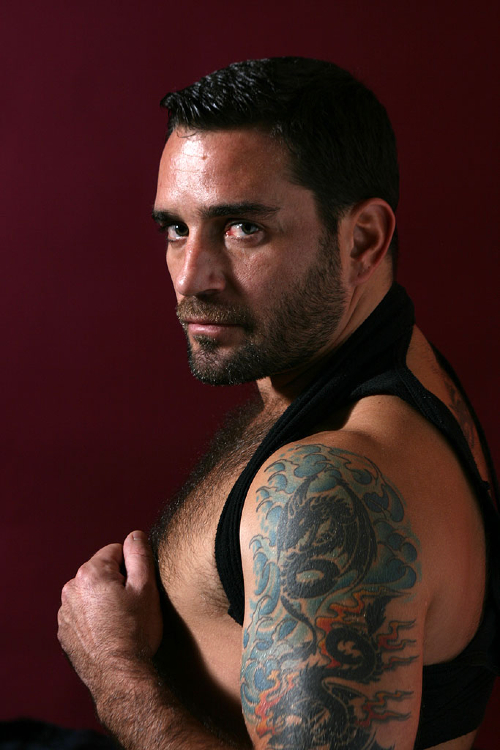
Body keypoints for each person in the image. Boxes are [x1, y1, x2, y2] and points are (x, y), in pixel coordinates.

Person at [57, 57, 500, 750]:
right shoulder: (391, 358)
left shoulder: (328, 488)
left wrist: (114, 671)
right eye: (176, 228)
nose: (192, 279)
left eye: (242, 228)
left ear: (362, 240)